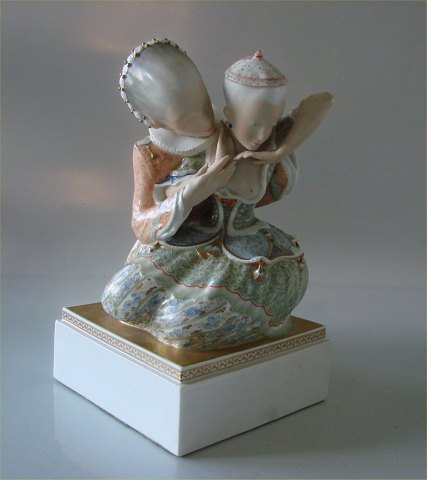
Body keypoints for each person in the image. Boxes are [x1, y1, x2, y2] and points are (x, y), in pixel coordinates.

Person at [101, 41, 332, 350]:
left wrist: (283, 150)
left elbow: (321, 100)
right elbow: (143, 222)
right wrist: (192, 193)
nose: (262, 134)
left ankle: (251, 323)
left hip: (246, 252)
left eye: (271, 123)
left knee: (179, 326)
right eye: (254, 123)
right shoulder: (172, 149)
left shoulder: (270, 143)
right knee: (119, 301)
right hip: (184, 245)